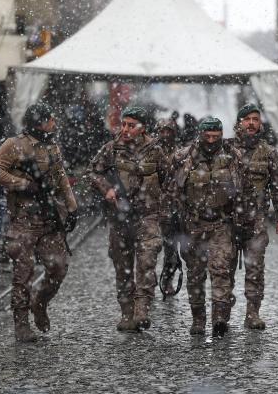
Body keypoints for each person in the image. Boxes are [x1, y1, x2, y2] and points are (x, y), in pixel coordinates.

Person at [0, 103, 78, 342]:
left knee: (59, 267)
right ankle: (21, 323)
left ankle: (40, 302)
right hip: (24, 220)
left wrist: (71, 207)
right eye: (50, 120)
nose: (54, 123)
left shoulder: (52, 147)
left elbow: (61, 178)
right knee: (23, 273)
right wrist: (23, 184)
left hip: (49, 219)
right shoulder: (14, 145)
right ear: (39, 122)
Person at [85, 106, 167, 331]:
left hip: (147, 216)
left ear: (143, 128)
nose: (126, 129)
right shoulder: (112, 149)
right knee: (123, 268)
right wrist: (106, 189)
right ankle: (127, 312)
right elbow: (93, 171)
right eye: (124, 124)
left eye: (132, 125)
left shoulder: (155, 151)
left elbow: (168, 181)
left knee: (147, 262)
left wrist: (166, 211)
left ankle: (142, 309)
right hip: (120, 218)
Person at [167, 117, 247, 337]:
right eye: (207, 136)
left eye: (216, 136)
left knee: (221, 271)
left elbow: (243, 193)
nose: (212, 141)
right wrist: (172, 226)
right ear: (200, 135)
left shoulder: (233, 157)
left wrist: (240, 223)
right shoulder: (183, 158)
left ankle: (220, 318)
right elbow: (171, 192)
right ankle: (198, 319)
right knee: (195, 274)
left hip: (221, 224)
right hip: (192, 225)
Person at [228, 104, 278, 329]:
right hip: (229, 220)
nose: (251, 123)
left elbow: (277, 187)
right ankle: (222, 311)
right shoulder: (225, 150)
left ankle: (252, 313)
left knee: (255, 269)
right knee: (224, 268)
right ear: (239, 123)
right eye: (247, 119)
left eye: (255, 119)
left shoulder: (268, 152)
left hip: (256, 219)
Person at [154, 117, 183, 298]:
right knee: (148, 250)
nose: (165, 135)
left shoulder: (181, 153)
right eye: (162, 131)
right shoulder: (149, 152)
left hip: (173, 209)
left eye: (169, 131)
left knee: (171, 250)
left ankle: (167, 279)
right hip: (151, 209)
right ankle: (145, 285)